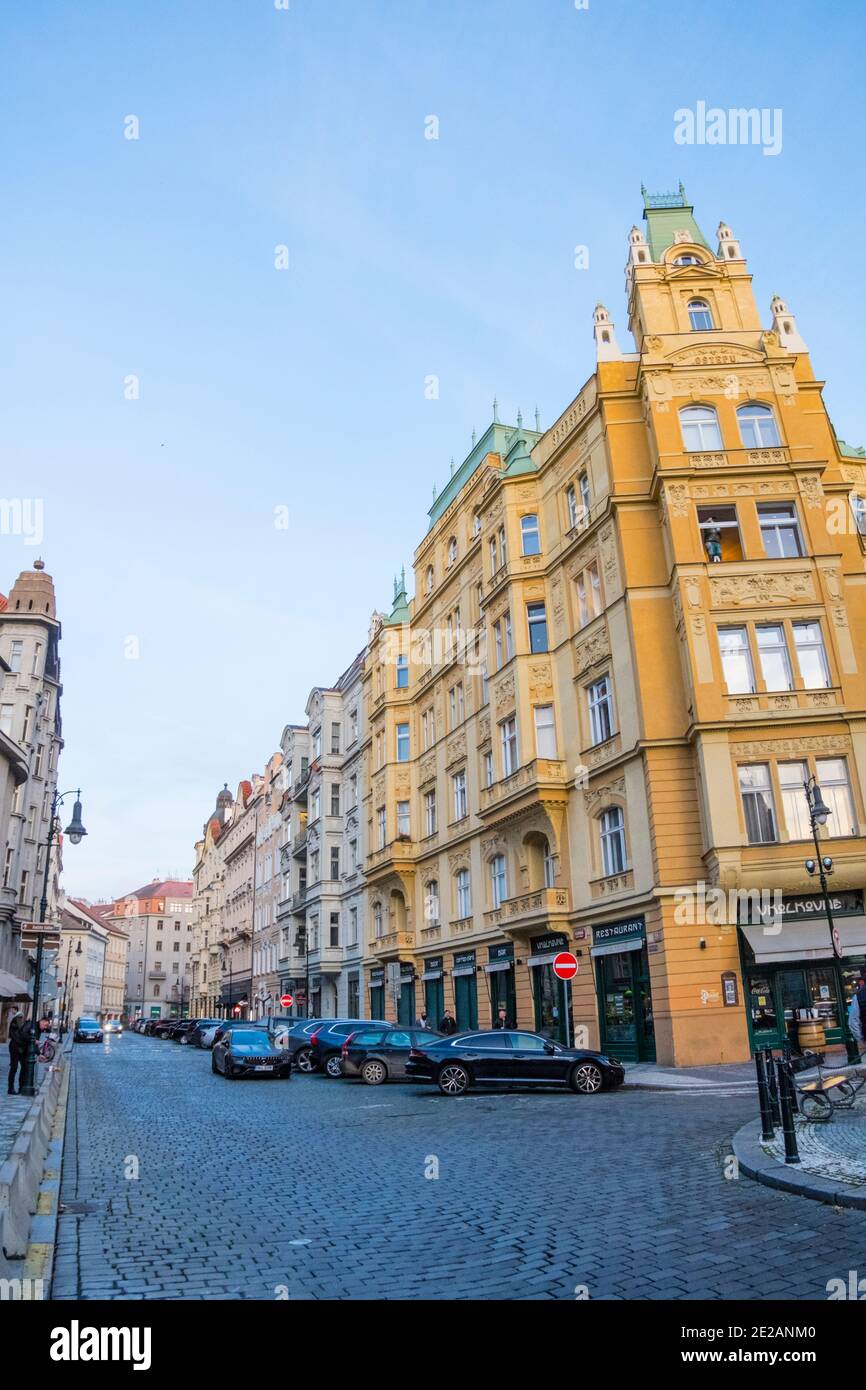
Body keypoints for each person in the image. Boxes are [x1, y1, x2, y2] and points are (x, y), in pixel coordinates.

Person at [7, 1011, 32, 1095]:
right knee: (14, 1068)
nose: (21, 1018)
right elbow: (16, 1037)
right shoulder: (15, 1024)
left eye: (22, 1017)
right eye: (20, 1017)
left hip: (20, 1048)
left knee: (24, 1067)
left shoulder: (20, 1024)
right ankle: (10, 1089)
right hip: (15, 1047)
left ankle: (21, 1087)